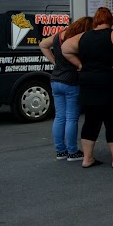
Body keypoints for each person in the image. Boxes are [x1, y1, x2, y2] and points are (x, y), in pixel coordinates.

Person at [62, 7, 113, 169]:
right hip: (110, 83)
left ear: (95, 20)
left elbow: (65, 49)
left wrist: (80, 64)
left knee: (91, 120)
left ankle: (87, 158)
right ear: (110, 20)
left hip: (88, 82)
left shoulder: (83, 36)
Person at [40, 16, 92, 162]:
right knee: (71, 118)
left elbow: (43, 44)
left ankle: (60, 151)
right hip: (71, 81)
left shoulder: (60, 34)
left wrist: (55, 62)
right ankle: (72, 151)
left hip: (55, 79)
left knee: (59, 117)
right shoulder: (78, 39)